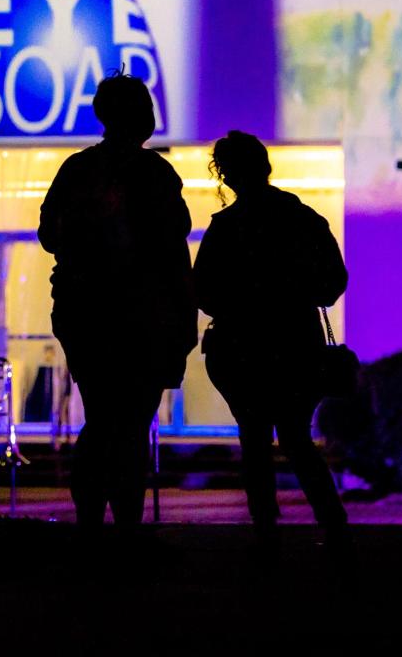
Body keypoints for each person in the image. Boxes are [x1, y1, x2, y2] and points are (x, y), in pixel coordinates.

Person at [38, 73, 195, 535]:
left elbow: (49, 233)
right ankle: (126, 521)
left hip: (86, 314)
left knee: (102, 416)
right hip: (142, 318)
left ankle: (91, 520)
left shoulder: (77, 169)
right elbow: (173, 244)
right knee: (129, 424)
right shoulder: (155, 173)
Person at [193, 130, 350, 550]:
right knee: (297, 437)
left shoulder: (226, 228)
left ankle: (266, 529)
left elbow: (203, 292)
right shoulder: (304, 219)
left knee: (254, 439)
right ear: (265, 166)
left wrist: (242, 301)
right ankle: (333, 525)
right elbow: (333, 283)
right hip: (297, 344)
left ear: (226, 176)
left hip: (241, 349)